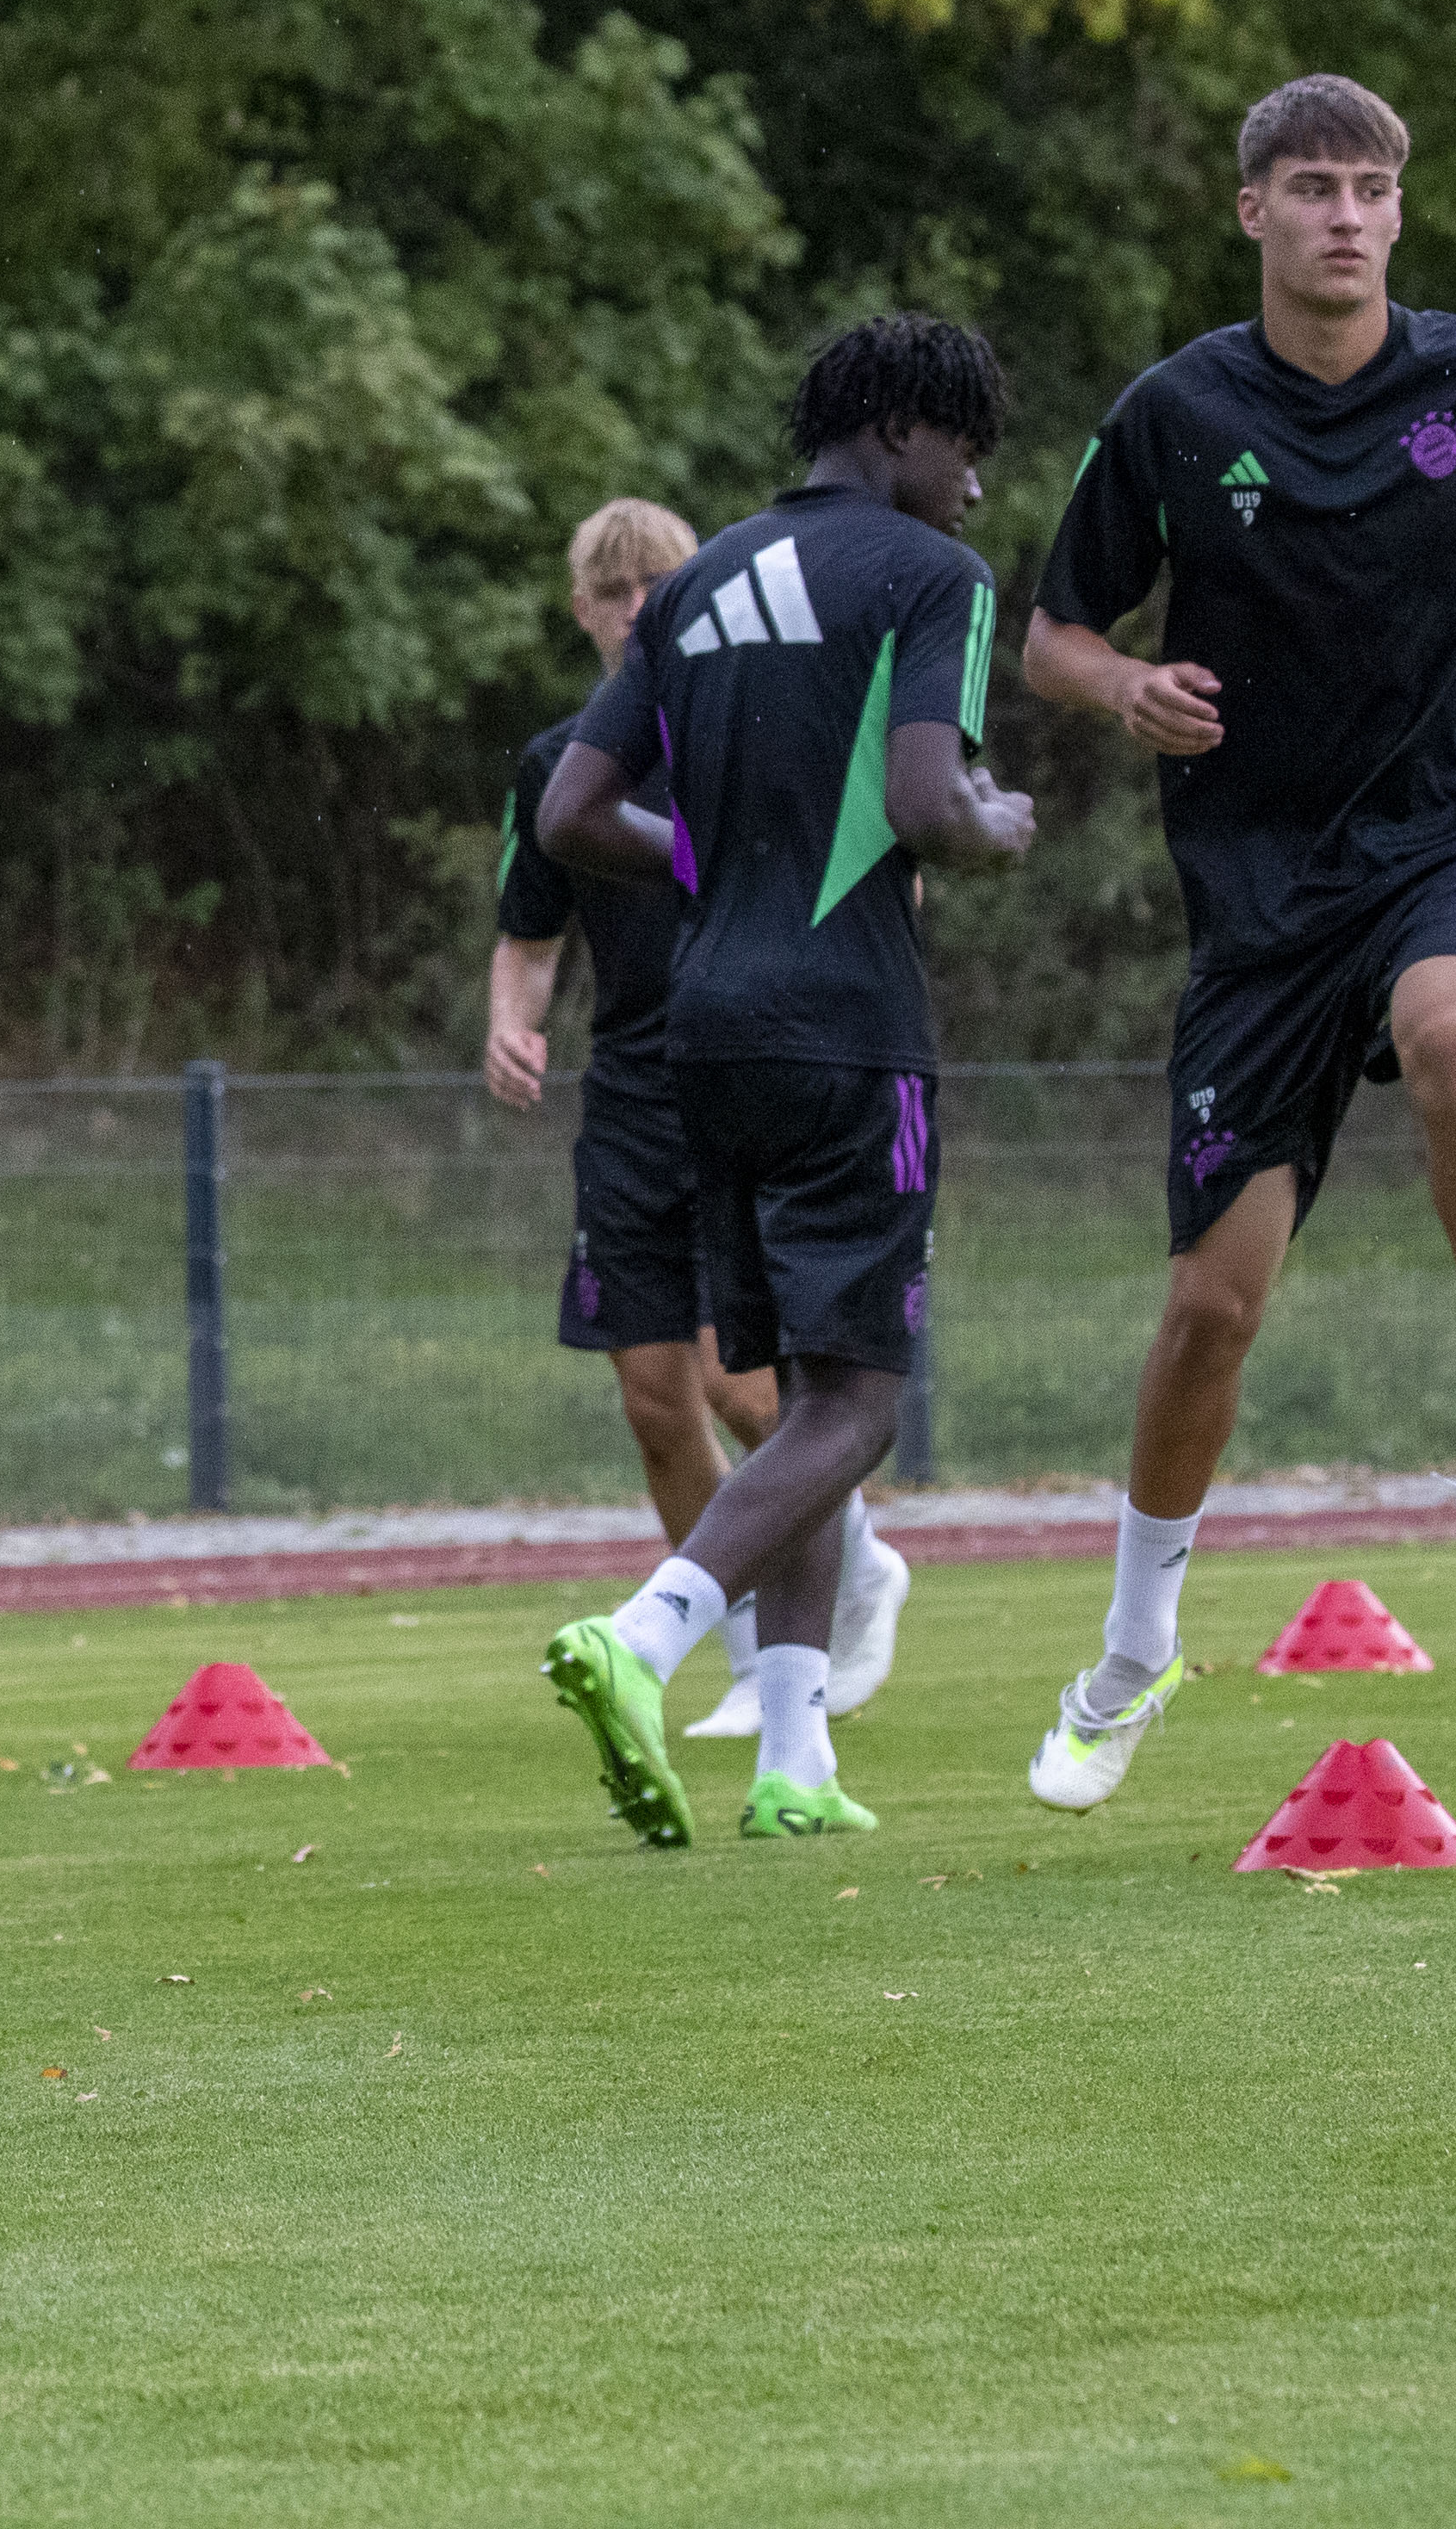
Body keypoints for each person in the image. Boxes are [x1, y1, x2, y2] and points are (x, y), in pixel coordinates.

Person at [1013, 76, 1456, 1811]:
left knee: (1451, 1035)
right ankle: (1127, 1659)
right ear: (1251, 211)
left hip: (1453, 838)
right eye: (1311, 188)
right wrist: (1121, 685)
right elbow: (1050, 630)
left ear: (1399, 215)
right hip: (1260, 906)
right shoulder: (1177, 413)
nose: (1344, 215)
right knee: (1210, 1312)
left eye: (1370, 189)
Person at [531, 316, 1038, 1844]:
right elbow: (920, 798)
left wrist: (708, 861)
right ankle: (647, 1633)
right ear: (896, 430)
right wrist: (993, 820)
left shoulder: (690, 584)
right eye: (964, 449)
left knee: (799, 1390)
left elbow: (571, 809)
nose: (971, 488)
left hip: (698, 1031)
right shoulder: (927, 576)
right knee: (859, 1404)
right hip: (845, 1027)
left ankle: (795, 1759)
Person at [486, 501, 905, 1742]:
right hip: (628, 1096)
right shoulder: (558, 762)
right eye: (608, 590)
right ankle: (736, 1648)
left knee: (742, 1382)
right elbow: (526, 937)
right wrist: (511, 1022)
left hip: (749, 1079)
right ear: (581, 609)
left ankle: (845, 1570)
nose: (631, 606)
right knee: (653, 1396)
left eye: (652, 584)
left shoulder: (756, 731)